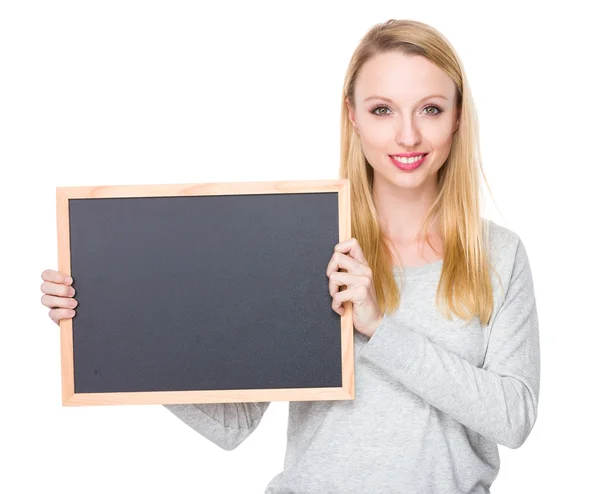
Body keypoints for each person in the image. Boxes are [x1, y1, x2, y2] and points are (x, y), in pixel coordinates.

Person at [40, 18, 540, 494]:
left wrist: (379, 328)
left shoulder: (498, 255)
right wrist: (104, 324)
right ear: (353, 117)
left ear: (456, 117)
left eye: (429, 108)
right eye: (382, 109)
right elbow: (232, 424)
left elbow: (514, 417)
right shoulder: (312, 243)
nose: (407, 135)